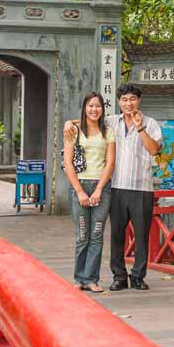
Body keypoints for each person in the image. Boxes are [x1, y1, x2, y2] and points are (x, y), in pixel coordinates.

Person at [65, 84, 162, 291]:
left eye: (133, 99)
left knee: (142, 235)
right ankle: (119, 276)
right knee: (116, 234)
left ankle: (138, 276)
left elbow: (154, 150)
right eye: (125, 99)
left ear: (139, 100)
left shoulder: (151, 123)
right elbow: (89, 120)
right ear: (118, 102)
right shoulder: (110, 123)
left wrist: (140, 127)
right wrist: (68, 123)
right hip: (116, 186)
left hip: (142, 187)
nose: (129, 103)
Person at [63, 92, 115, 293]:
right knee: (82, 235)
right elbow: (68, 163)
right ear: (85, 108)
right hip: (80, 185)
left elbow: (110, 162)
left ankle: (91, 279)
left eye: (98, 106)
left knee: (97, 234)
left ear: (103, 109)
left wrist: (99, 189)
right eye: (90, 106)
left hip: (102, 187)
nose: (94, 109)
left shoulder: (108, 131)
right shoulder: (74, 130)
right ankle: (79, 278)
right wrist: (80, 191)